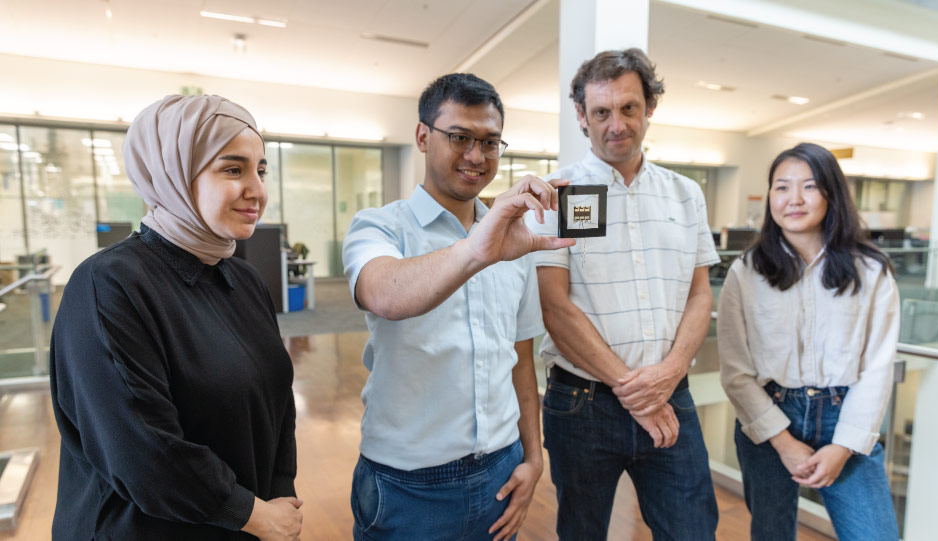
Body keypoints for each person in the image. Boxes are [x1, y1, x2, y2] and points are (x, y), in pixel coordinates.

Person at [49, 95, 302, 541]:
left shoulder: (243, 279)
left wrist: (279, 494)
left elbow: (277, 400)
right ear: (174, 176)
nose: (258, 190)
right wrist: (257, 516)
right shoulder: (109, 284)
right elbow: (143, 452)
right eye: (232, 169)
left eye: (261, 170)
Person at [341, 73, 573, 540]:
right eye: (460, 137)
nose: (475, 155)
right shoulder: (379, 226)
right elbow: (383, 293)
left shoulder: (515, 240)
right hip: (407, 485)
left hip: (501, 471)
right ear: (423, 137)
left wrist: (533, 456)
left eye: (490, 142)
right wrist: (476, 250)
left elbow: (520, 357)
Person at [527, 48, 719, 540]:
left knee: (693, 530)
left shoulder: (686, 194)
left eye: (629, 108)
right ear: (581, 117)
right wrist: (638, 394)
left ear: (650, 106)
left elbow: (701, 295)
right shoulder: (558, 192)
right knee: (582, 532)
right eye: (601, 112)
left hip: (671, 395)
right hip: (583, 405)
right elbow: (555, 307)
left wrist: (669, 375)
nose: (617, 124)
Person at [717, 142, 900, 541]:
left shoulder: (871, 271)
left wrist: (844, 447)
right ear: (770, 197)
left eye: (810, 186)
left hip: (844, 417)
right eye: (782, 187)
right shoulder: (746, 272)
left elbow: (878, 368)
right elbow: (735, 371)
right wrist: (783, 443)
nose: (794, 199)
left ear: (832, 195)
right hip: (769, 420)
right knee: (772, 534)